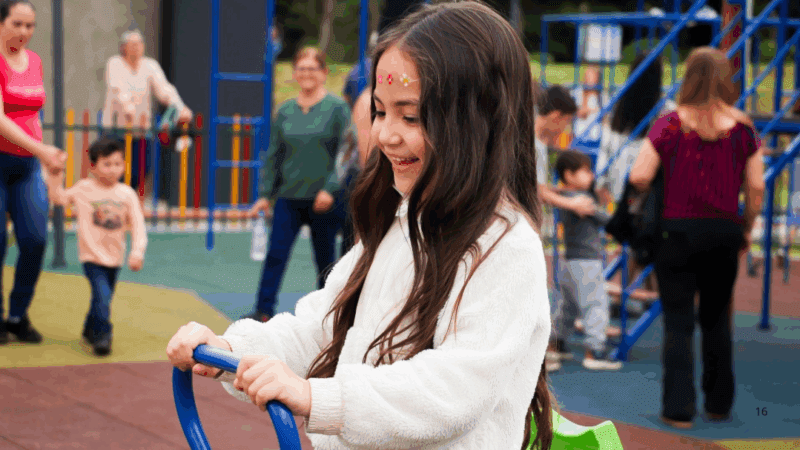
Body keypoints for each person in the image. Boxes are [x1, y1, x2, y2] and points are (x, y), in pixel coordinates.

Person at [167, 2, 555, 449]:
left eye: (410, 117)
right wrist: (229, 350)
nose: (387, 135)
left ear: (476, 121)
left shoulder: (506, 248)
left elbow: (454, 388)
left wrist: (317, 397)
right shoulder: (400, 221)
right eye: (380, 111)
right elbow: (319, 326)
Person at [629, 47, 764, 429]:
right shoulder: (742, 128)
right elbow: (756, 187)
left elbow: (639, 174)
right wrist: (747, 226)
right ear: (726, 78)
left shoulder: (670, 124)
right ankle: (719, 403)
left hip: (677, 230)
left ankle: (678, 408)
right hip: (723, 230)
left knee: (678, 320)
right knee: (718, 318)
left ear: (688, 77)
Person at [245, 47, 351, 323]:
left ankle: (328, 315)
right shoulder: (286, 111)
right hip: (289, 197)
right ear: (294, 73)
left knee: (326, 260)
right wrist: (265, 195)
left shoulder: (337, 109)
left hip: (324, 200)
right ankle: (263, 311)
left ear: (324, 73)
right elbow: (274, 155)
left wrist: (330, 188)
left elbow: (345, 153)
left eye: (312, 68)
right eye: (301, 68)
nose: (306, 74)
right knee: (275, 255)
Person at [0, 0, 67, 345]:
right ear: (2, 22)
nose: (24, 32)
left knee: (35, 240)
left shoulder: (35, 61)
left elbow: (33, 115)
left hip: (26, 166)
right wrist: (42, 150)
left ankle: (17, 315)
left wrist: (45, 157)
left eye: (30, 26)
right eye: (17, 24)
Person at [48, 138, 147, 356]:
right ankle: (103, 336)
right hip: (91, 256)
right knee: (102, 296)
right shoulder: (84, 189)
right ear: (93, 167)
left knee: (102, 297)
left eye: (118, 164)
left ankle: (88, 328)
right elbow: (59, 198)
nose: (113, 170)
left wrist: (137, 251)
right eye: (107, 164)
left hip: (115, 258)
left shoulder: (126, 194)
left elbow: (138, 225)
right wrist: (55, 174)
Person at [546, 151, 622, 372]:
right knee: (596, 304)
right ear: (569, 175)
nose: (591, 175)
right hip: (587, 262)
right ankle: (595, 350)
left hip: (569, 262)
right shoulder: (581, 200)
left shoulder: (565, 198)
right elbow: (605, 220)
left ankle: (556, 343)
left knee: (567, 307)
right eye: (587, 171)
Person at [102, 29, 193, 208]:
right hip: (116, 130)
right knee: (114, 171)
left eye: (140, 43)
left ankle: (126, 204)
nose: (137, 48)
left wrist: (180, 107)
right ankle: (113, 204)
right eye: (132, 44)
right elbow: (117, 88)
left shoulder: (149, 65)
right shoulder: (115, 63)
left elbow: (164, 89)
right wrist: (128, 106)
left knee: (141, 171)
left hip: (141, 130)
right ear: (123, 47)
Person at [534, 84, 596, 218]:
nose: (566, 129)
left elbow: (534, 186)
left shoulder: (536, 142)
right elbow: (536, 191)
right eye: (567, 121)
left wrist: (559, 190)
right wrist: (572, 204)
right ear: (556, 116)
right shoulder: (533, 144)